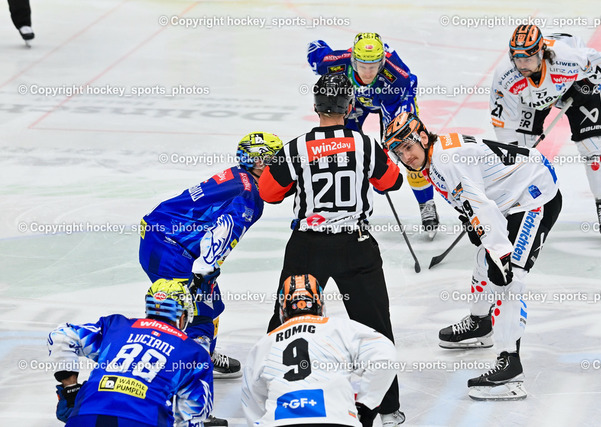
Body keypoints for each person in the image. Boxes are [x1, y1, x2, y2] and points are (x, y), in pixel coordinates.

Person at [383, 112, 562, 400]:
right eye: (399, 152)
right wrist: (472, 222)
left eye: (408, 146)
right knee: (484, 261)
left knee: (508, 277)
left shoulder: (446, 159)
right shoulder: (433, 157)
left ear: (423, 138)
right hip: (510, 195)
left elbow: (481, 206)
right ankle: (481, 324)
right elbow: (473, 196)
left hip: (532, 196)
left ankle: (511, 369)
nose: (406, 156)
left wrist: (501, 252)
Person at [259, 73, 405, 426]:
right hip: (356, 245)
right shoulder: (365, 144)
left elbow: (268, 192)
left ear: (316, 106)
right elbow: (392, 181)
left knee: (286, 320)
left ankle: (272, 393)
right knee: (376, 327)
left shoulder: (295, 148)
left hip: (308, 246)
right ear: (349, 106)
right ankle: (387, 408)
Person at [139, 132, 283, 381]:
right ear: (259, 162)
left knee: (208, 305)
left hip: (163, 240)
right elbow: (221, 234)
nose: (279, 165)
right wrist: (205, 272)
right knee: (194, 312)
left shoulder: (239, 177)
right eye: (275, 159)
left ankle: (201, 354)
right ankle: (184, 371)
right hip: (170, 249)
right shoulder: (249, 195)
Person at [490, 24, 601, 241]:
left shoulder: (567, 58)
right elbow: (503, 121)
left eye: (528, 59)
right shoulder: (506, 75)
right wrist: (513, 153)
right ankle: (522, 204)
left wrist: (587, 83)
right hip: (533, 98)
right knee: (523, 152)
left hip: (574, 85)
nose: (522, 65)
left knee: (593, 149)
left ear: (541, 53)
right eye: (517, 58)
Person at [308, 32, 439, 238]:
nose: (368, 72)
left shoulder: (396, 78)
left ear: (382, 63)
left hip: (394, 99)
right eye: (363, 66)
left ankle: (426, 203)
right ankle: (353, 210)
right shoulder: (335, 63)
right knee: (345, 150)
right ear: (353, 60)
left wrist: (383, 161)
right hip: (355, 102)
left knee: (408, 146)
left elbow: (391, 128)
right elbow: (315, 50)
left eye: (373, 66)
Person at [47, 279, 214, 426]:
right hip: (145, 419)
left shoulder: (116, 326)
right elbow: (191, 415)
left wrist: (71, 390)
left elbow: (61, 337)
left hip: (87, 412)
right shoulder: (195, 353)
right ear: (183, 315)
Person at [241, 274, 397, 427]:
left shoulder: (264, 343)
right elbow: (385, 357)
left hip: (279, 423)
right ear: (320, 304)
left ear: (283, 309)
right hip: (338, 421)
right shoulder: (340, 328)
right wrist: (367, 406)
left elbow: (251, 397)